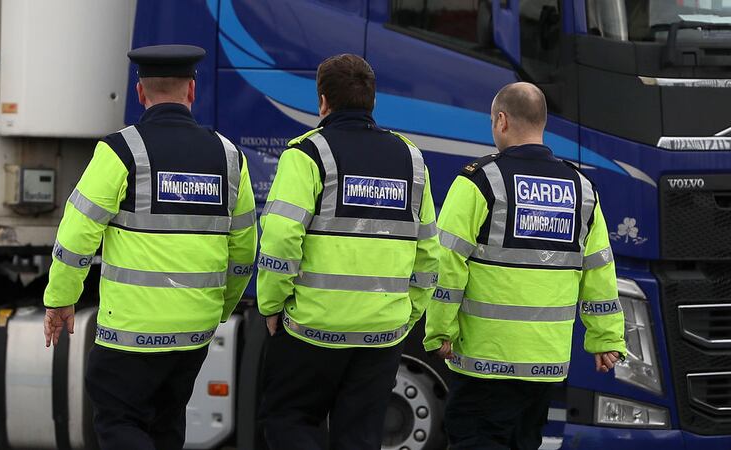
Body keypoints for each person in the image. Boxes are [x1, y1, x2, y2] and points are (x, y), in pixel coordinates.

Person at [42, 44, 257, 450]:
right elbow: (244, 252)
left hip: (130, 334)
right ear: (192, 91)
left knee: (120, 422)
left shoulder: (121, 151)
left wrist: (60, 299)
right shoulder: (230, 158)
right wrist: (217, 311)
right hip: (193, 332)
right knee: (167, 426)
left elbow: (76, 235)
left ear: (140, 93)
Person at [424, 82, 626, 450]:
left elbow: (448, 262)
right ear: (542, 122)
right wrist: (606, 338)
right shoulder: (582, 189)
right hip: (545, 361)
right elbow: (599, 270)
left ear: (501, 120)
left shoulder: (481, 181)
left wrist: (439, 330)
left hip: (485, 358)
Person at [256, 54, 440, 450]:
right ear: (372, 100)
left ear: (323, 101)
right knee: (360, 438)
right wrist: (407, 315)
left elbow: (280, 239)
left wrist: (271, 305)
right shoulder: (412, 160)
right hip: (380, 334)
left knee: (289, 420)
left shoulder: (307, 155)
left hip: (311, 330)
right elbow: (429, 253)